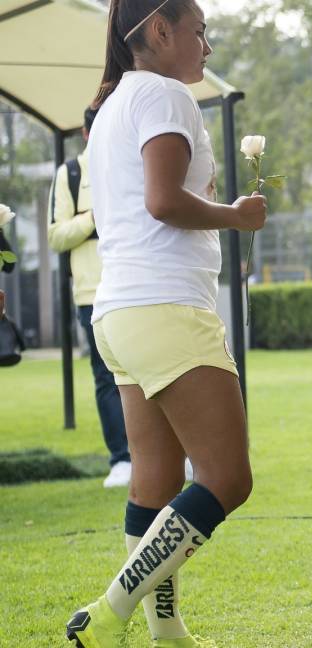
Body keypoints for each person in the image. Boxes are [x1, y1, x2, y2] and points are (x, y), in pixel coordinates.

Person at [65, 2, 267, 647]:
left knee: (155, 481)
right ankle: (110, 612)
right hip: (165, 308)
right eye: (200, 31)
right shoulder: (164, 95)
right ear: (161, 30)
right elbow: (163, 201)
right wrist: (235, 215)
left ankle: (167, 630)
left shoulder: (114, 104)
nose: (206, 48)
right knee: (228, 477)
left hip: (118, 313)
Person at [48, 106, 132, 488]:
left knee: (150, 372)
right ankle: (122, 459)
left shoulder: (131, 162)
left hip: (135, 287)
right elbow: (56, 236)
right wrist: (94, 218)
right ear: (86, 132)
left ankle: (165, 455)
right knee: (106, 376)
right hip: (91, 295)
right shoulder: (70, 175)